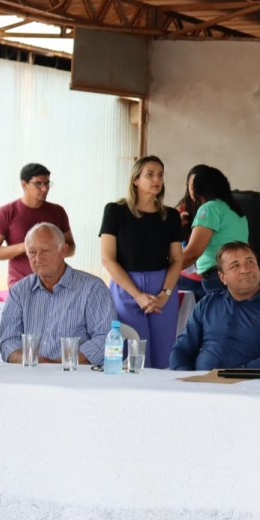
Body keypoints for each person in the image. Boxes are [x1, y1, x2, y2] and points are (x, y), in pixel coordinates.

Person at [98, 156, 184, 369]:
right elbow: (108, 259)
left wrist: (165, 294)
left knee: (164, 354)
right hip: (126, 286)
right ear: (135, 179)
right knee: (133, 353)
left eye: (160, 175)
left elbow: (177, 260)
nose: (157, 179)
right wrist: (137, 295)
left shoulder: (171, 216)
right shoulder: (115, 211)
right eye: (150, 174)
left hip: (162, 286)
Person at [169, 241, 260, 371]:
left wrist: (229, 375)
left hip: (252, 381)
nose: (245, 270)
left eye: (250, 262)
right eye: (235, 266)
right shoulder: (208, 304)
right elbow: (182, 348)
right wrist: (184, 374)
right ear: (222, 277)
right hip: (201, 380)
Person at [0, 223, 112, 365]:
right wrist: (34, 361)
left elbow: (105, 338)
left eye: (45, 251)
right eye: (32, 252)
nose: (38, 259)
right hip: (31, 373)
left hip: (76, 374)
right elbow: (8, 341)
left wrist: (61, 364)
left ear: (63, 250)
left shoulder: (92, 288)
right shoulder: (19, 291)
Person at [0, 163, 76, 286]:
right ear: (24, 185)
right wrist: (28, 246)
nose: (45, 188)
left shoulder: (58, 211)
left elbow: (71, 248)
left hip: (56, 284)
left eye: (47, 183)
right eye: (39, 184)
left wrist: (53, 249)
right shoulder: (6, 213)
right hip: (21, 285)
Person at [180, 166, 249, 294]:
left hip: (217, 275)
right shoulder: (234, 210)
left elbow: (193, 253)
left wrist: (165, 270)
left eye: (192, 185)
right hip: (236, 273)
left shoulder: (209, 208)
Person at [175, 163, 210, 300]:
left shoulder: (214, 209)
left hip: (210, 276)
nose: (198, 191)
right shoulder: (181, 209)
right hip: (186, 277)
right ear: (187, 185)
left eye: (203, 186)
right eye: (193, 186)